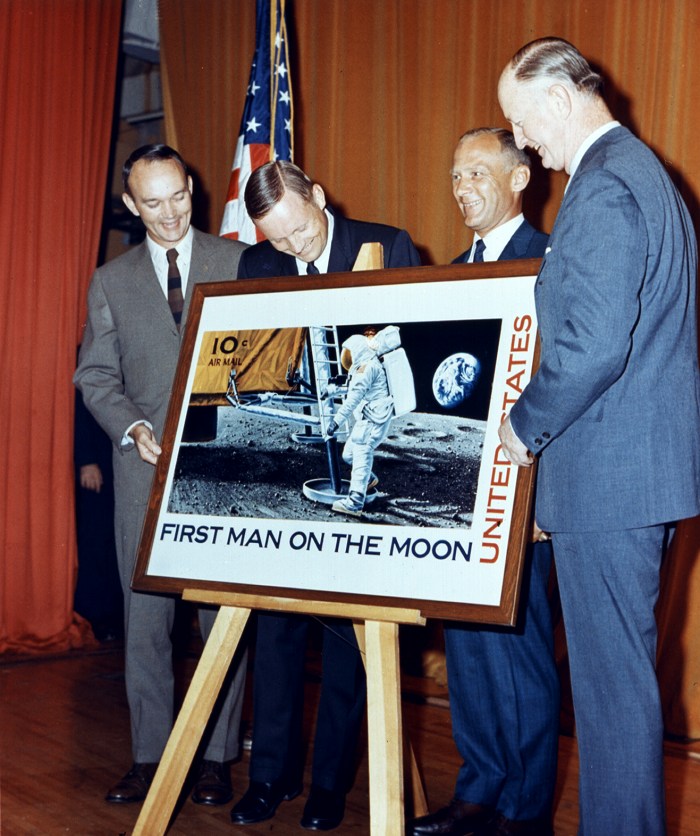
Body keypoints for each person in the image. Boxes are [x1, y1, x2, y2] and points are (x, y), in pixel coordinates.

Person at [497, 38, 700, 835]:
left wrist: (523, 427)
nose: (522, 143)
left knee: (613, 700)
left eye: (521, 122)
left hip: (611, 483)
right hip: (633, 478)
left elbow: (591, 347)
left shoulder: (605, 184)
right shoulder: (645, 174)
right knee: (621, 694)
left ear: (557, 99)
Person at [231, 160, 421, 831]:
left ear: (317, 196)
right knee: (275, 626)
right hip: (297, 462)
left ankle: (331, 785)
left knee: (348, 636)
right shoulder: (257, 265)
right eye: (279, 239)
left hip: (360, 453)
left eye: (302, 230)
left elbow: (408, 345)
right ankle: (270, 775)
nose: (294, 246)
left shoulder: (386, 245)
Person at [74, 144, 248, 807]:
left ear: (192, 189)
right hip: (141, 473)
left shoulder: (239, 261)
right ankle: (150, 757)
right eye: (153, 203)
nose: (170, 213)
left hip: (223, 471)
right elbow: (95, 375)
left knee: (218, 619)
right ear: (131, 205)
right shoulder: (110, 280)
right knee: (145, 620)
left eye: (178, 196)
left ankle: (217, 758)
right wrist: (133, 427)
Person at [410, 128, 559, 836]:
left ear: (520, 178)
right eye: (455, 175)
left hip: (525, 495)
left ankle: (524, 813)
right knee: (468, 652)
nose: (462, 186)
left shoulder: (551, 261)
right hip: (460, 498)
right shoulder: (448, 274)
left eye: (476, 172)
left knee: (520, 657)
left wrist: (546, 497)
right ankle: (478, 792)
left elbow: (568, 382)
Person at [327, 326, 398, 517]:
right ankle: (368, 480)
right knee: (348, 454)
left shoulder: (367, 368)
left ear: (357, 351)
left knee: (360, 453)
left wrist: (336, 422)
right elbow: (353, 388)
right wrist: (331, 391)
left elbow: (353, 398)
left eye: (348, 353)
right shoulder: (366, 365)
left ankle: (355, 502)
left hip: (372, 421)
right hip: (370, 418)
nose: (346, 358)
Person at [73, 378, 123, 641]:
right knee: (96, 539)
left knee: (117, 542)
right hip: (97, 462)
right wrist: (86, 460)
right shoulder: (91, 360)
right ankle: (99, 617)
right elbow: (82, 408)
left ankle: (116, 616)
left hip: (121, 461)